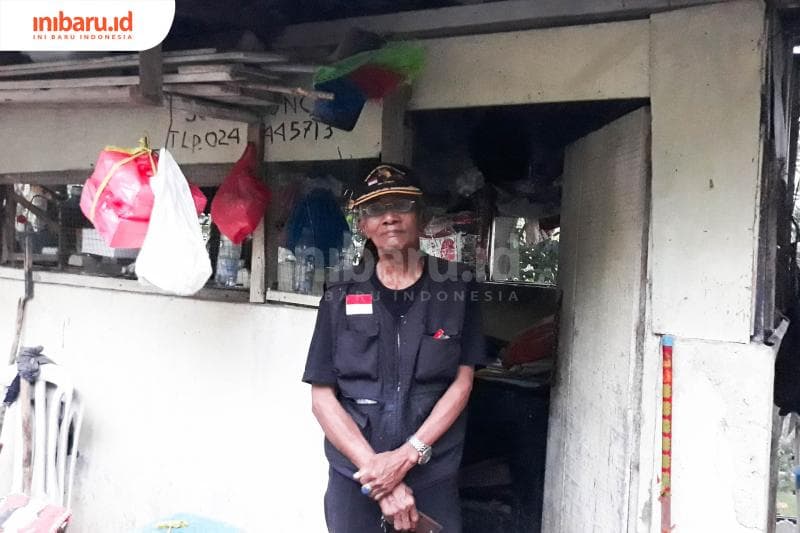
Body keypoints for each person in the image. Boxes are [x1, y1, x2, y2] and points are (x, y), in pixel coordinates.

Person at [302, 163, 490, 532]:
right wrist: (377, 475)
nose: (389, 218)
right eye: (375, 209)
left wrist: (405, 459)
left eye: (402, 205)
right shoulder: (340, 292)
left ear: (422, 218)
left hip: (431, 473)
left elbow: (462, 383)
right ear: (362, 225)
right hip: (355, 474)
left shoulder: (457, 286)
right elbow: (322, 397)